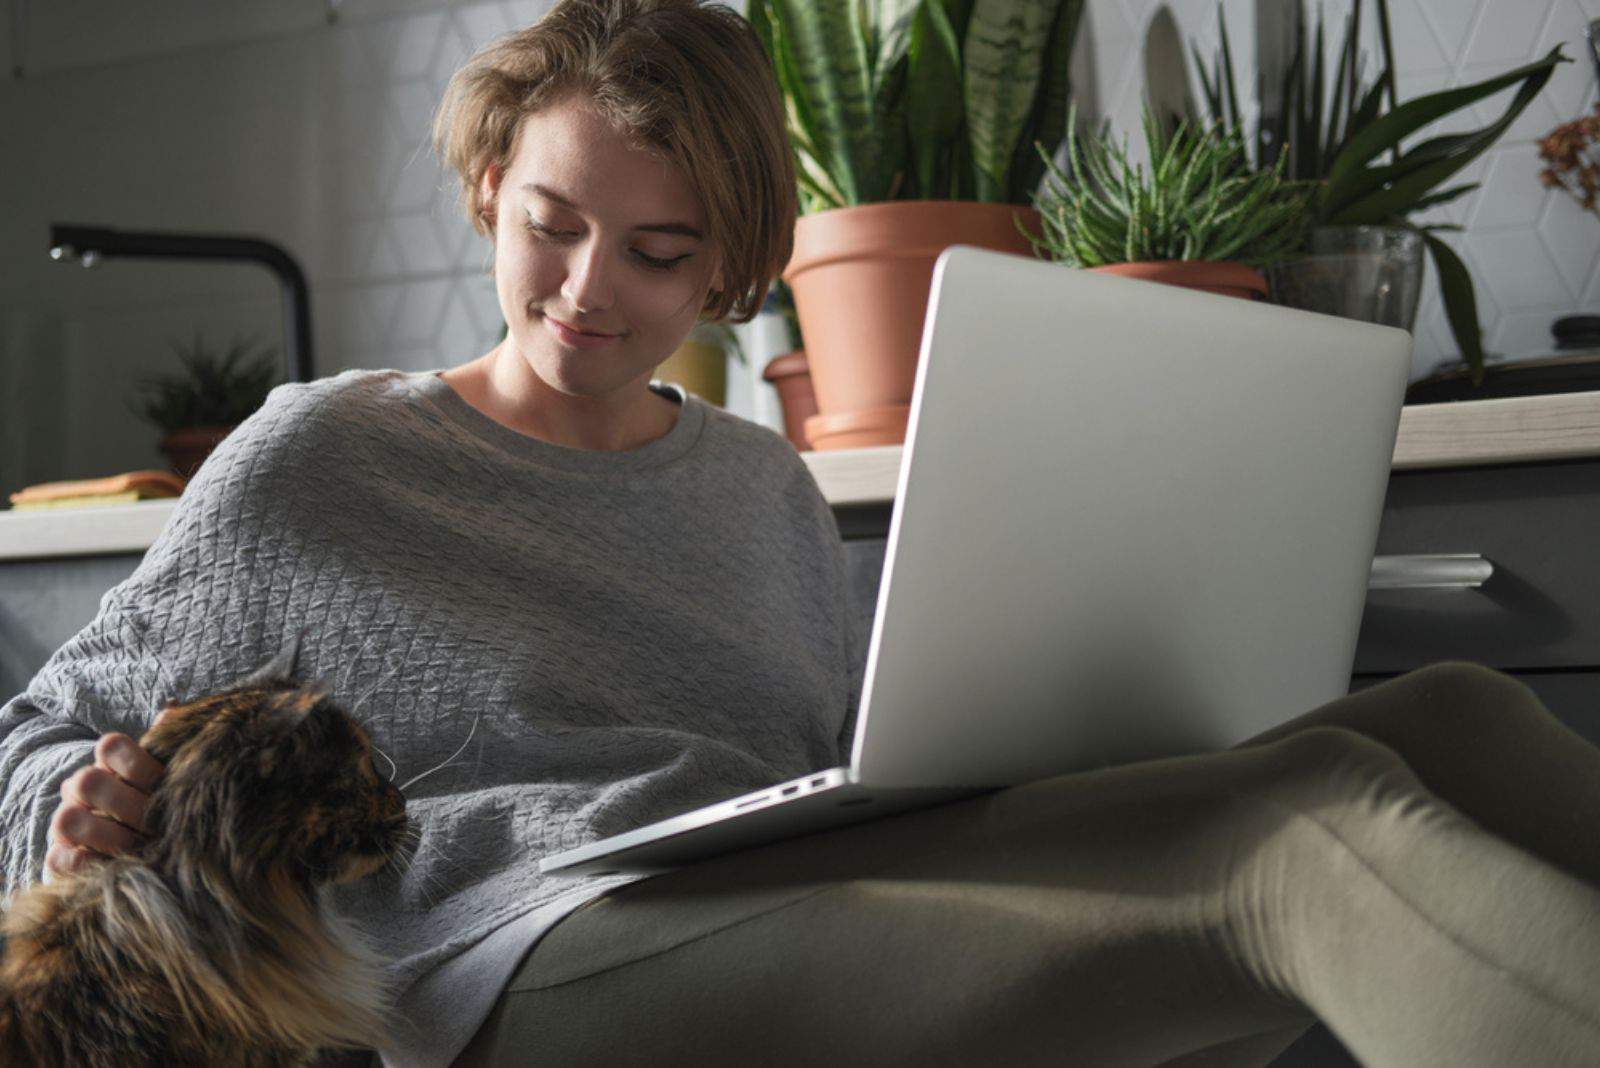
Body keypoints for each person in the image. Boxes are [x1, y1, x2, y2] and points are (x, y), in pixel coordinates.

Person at [7, 0, 1600, 1065]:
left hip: (771, 879)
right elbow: (48, 722)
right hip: (521, 952)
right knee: (1295, 851)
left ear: (730, 269)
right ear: (491, 186)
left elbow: (821, 757)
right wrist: (69, 815)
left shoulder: (759, 488)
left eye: (654, 250)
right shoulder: (325, 455)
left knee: (1442, 718)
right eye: (552, 226)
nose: (584, 290)